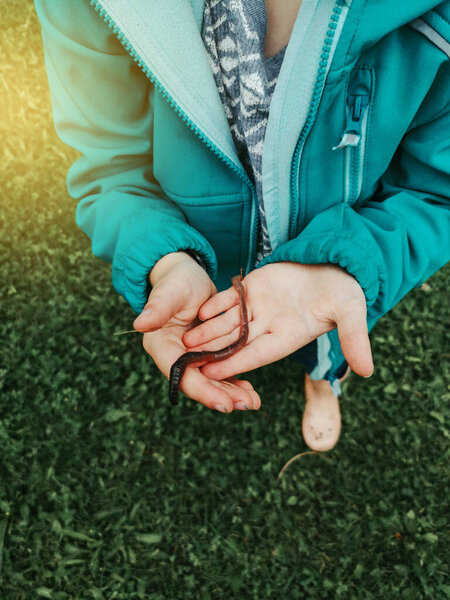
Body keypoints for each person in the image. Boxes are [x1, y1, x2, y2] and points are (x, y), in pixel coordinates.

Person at [35, 0, 450, 451]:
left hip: (330, 269)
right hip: (204, 266)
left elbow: (437, 189)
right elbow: (110, 166)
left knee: (329, 339)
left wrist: (353, 262)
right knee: (222, 330)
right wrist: (165, 255)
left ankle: (322, 381)